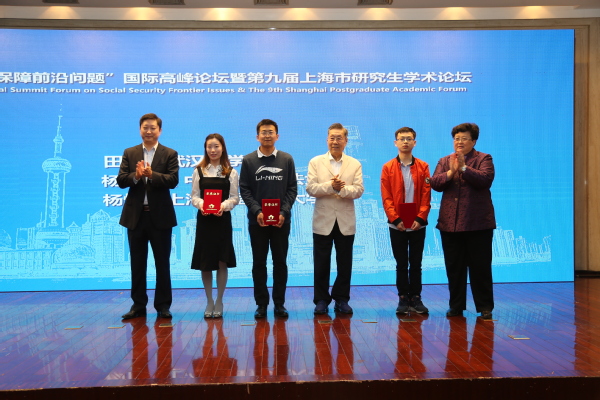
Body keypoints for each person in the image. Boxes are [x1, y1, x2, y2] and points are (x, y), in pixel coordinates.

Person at [430, 123, 496, 320]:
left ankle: (485, 306)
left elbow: (485, 180)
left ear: (473, 141)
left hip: (478, 223)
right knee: (454, 268)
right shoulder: (444, 160)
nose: (459, 142)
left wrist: (464, 168)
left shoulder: (484, 158)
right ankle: (456, 306)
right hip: (450, 223)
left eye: (464, 138)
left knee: (480, 267)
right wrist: (451, 172)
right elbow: (435, 183)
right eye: (456, 138)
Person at [117, 113, 179, 320]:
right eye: (145, 127)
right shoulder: (130, 152)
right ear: (140, 130)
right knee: (137, 263)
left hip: (160, 217)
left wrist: (152, 175)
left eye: (153, 128)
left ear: (159, 130)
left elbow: (173, 180)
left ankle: (163, 305)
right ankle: (138, 305)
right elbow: (121, 180)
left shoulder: (169, 153)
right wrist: (136, 176)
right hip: (136, 217)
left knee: (162, 263)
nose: (149, 131)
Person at [239, 119, 297, 318]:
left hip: (281, 221)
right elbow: (244, 189)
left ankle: (279, 304)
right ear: (257, 136)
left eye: (270, 132)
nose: (267, 135)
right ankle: (261, 304)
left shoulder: (286, 159)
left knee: (280, 263)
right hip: (258, 221)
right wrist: (257, 211)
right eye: (263, 132)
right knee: (259, 263)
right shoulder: (248, 160)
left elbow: (292, 188)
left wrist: (283, 212)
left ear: (277, 136)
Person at [307, 123, 364, 315]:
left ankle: (341, 299)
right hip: (323, 220)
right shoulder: (316, 162)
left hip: (345, 221)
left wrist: (342, 189)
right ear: (327, 140)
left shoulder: (354, 163)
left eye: (339, 138)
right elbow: (311, 188)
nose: (335, 141)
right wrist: (331, 186)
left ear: (346, 141)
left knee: (345, 263)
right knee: (321, 263)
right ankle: (321, 300)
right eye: (332, 137)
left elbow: (359, 190)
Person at [380, 127, 431, 315]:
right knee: (401, 264)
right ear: (396, 143)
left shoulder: (423, 166)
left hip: (418, 224)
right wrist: (395, 218)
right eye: (401, 139)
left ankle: (416, 298)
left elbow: (426, 195)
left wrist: (420, 217)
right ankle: (403, 298)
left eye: (409, 139)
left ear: (414, 143)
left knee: (416, 263)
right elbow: (386, 197)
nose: (405, 142)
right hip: (397, 225)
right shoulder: (388, 167)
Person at [190, 133, 239, 318]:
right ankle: (209, 300)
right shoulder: (199, 171)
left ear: (222, 148)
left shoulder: (231, 172)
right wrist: (203, 205)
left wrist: (222, 206)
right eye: (209, 146)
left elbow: (234, 198)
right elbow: (194, 196)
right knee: (206, 262)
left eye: (216, 146)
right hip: (204, 221)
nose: (213, 150)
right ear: (205, 149)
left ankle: (219, 300)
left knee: (221, 260)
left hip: (222, 220)